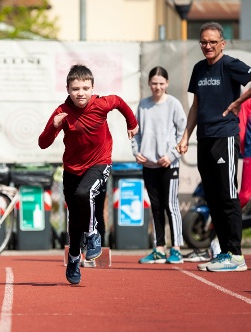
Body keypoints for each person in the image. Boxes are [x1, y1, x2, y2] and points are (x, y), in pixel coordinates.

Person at [39, 64, 138, 284]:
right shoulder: (61, 112)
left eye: (85, 88)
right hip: (72, 170)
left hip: (99, 163)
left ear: (92, 88)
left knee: (85, 193)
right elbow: (43, 143)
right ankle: (74, 257)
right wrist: (54, 127)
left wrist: (132, 123)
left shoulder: (101, 104)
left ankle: (93, 235)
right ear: (68, 89)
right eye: (75, 89)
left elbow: (120, 103)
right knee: (74, 220)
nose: (80, 93)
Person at [177, 22, 251, 272]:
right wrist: (186, 135)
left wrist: (238, 100)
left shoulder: (230, 64)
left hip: (225, 137)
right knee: (213, 197)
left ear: (222, 43)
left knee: (228, 196)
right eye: (203, 42)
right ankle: (224, 252)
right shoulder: (199, 69)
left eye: (212, 42)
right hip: (205, 139)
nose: (207, 46)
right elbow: (196, 106)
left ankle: (237, 255)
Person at [132, 66, 187, 264]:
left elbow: (183, 132)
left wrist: (172, 155)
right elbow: (135, 131)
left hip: (169, 164)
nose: (157, 87)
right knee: (155, 207)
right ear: (149, 83)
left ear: (167, 84)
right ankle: (159, 248)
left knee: (171, 206)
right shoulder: (143, 105)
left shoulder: (173, 104)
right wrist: (136, 151)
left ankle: (177, 249)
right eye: (154, 83)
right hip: (148, 165)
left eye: (161, 83)